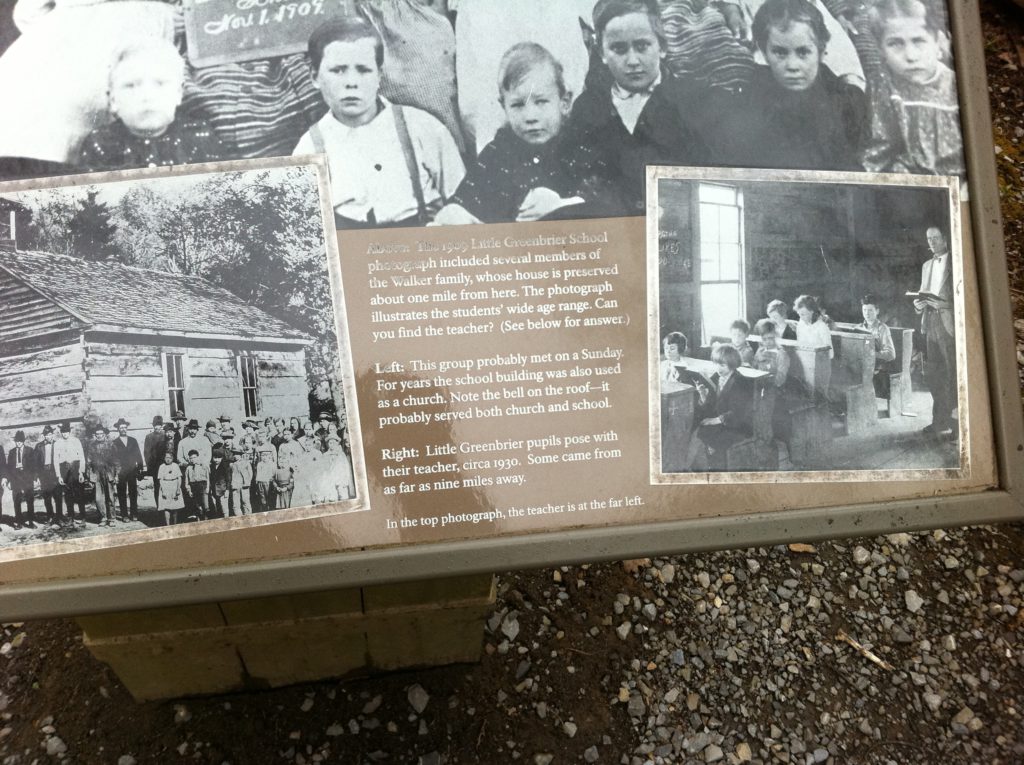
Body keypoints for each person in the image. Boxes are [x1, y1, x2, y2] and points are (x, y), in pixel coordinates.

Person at [293, 17, 466, 228]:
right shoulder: (309, 149)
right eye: (338, 70)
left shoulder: (422, 128)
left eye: (363, 70)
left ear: (379, 76)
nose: (351, 83)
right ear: (314, 77)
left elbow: (461, 206)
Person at [435, 43, 616, 225]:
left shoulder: (581, 145)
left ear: (565, 102)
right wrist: (456, 214)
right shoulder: (497, 154)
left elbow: (611, 199)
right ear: (504, 106)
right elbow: (468, 201)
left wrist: (564, 207)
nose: (530, 117)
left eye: (541, 101)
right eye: (518, 105)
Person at [563, 0, 711, 215]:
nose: (632, 61)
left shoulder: (693, 101)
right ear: (602, 53)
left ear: (662, 47)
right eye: (618, 49)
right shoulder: (588, 108)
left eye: (642, 46)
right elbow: (573, 171)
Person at [709, 0, 867, 170]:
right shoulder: (754, 95)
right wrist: (731, 7)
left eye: (802, 53)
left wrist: (839, 14)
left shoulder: (837, 96)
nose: (792, 65)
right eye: (780, 53)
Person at [76, 39, 225, 172]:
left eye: (159, 83)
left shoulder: (200, 137)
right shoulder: (100, 144)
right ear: (113, 101)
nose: (147, 96)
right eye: (131, 86)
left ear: (178, 94)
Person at [862, 0, 964, 178]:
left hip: (956, 182)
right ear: (881, 51)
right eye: (895, 44)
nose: (910, 56)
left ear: (938, 44)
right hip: (906, 182)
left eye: (918, 41)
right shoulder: (884, 88)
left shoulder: (956, 87)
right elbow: (879, 151)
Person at [913, 226, 956, 437]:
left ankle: (957, 426)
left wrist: (945, 305)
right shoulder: (926, 265)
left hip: (949, 324)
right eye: (929, 239)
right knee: (934, 375)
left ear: (945, 238)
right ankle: (939, 422)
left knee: (952, 374)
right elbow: (924, 292)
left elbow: (964, 297)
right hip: (929, 323)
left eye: (936, 238)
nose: (932, 242)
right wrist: (918, 305)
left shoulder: (957, 262)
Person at [689, 344, 754, 470]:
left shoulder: (741, 382)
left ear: (732, 364)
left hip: (736, 425)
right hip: (719, 422)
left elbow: (738, 413)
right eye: (716, 364)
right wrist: (703, 395)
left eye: (722, 365)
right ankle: (701, 466)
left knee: (702, 434)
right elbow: (711, 407)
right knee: (694, 428)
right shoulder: (715, 377)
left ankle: (709, 467)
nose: (718, 368)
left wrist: (714, 421)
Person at [859, 293, 897, 400]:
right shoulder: (859, 328)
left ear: (877, 311)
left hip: (878, 369)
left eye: (870, 310)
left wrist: (871, 354)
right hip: (862, 367)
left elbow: (891, 354)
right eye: (864, 310)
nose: (867, 313)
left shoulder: (883, 329)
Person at [110, 418, 143, 522]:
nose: (123, 429)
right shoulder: (114, 442)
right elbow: (113, 458)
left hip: (132, 469)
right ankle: (124, 515)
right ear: (118, 429)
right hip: (121, 471)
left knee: (133, 492)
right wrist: (115, 472)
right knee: (121, 493)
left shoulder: (133, 440)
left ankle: (134, 513)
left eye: (125, 427)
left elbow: (138, 455)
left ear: (127, 428)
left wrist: (140, 468)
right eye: (121, 428)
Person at [54, 421, 87, 523]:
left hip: (75, 468)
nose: (65, 434)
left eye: (67, 432)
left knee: (79, 493)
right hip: (64, 469)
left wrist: (81, 472)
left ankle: (82, 516)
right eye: (63, 432)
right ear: (60, 432)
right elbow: (55, 460)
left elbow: (81, 457)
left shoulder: (76, 441)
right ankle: (71, 516)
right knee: (68, 494)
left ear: (69, 431)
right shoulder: (57, 443)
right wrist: (59, 476)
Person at [87, 425, 116, 526]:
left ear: (104, 434)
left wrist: (116, 475)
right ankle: (103, 517)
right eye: (97, 434)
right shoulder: (91, 446)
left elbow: (116, 461)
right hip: (97, 473)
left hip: (108, 472)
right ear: (95, 435)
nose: (99, 436)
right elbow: (89, 462)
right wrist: (90, 477)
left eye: (101, 434)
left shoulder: (110, 445)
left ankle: (111, 518)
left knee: (110, 497)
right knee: (98, 498)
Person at [6, 431, 36, 529]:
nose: (18, 443)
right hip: (15, 480)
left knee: (30, 500)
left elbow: (33, 466)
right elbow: (9, 468)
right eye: (17, 441)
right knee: (17, 501)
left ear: (23, 441)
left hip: (27, 479)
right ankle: (19, 522)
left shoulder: (30, 451)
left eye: (20, 441)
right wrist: (9, 481)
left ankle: (31, 521)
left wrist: (34, 478)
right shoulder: (12, 452)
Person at [34, 425, 61, 524]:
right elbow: (35, 463)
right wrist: (36, 476)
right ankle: (50, 516)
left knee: (57, 496)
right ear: (44, 436)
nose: (48, 437)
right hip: (44, 474)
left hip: (55, 472)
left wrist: (60, 475)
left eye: (49, 434)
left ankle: (59, 517)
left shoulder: (57, 444)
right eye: (46, 435)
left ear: (52, 435)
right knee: (47, 496)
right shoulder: (39, 446)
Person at [753, 319, 790, 388]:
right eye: (764, 339)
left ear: (776, 336)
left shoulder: (781, 354)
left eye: (771, 338)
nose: (768, 342)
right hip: (758, 385)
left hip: (773, 388)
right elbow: (754, 367)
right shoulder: (760, 351)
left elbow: (781, 378)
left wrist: (768, 382)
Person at [144, 415, 167, 506]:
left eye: (159, 425)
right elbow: (146, 453)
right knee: (157, 486)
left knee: (166, 485)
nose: (157, 427)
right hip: (155, 467)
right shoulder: (149, 437)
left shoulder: (165, 435)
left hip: (165, 465)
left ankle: (167, 506)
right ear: (153, 426)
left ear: (161, 425)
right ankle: (159, 507)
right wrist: (150, 466)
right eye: (155, 425)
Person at [156, 450, 184, 526]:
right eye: (166, 457)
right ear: (164, 458)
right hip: (165, 486)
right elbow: (160, 479)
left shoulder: (175, 465)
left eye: (170, 458)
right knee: (166, 507)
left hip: (174, 485)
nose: (168, 459)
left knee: (175, 507)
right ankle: (168, 525)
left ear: (173, 458)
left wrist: (178, 489)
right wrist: (163, 491)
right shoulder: (161, 466)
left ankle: (175, 524)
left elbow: (179, 478)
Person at [183, 449, 210, 522]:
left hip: (202, 486)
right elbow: (187, 481)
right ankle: (199, 520)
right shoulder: (188, 468)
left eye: (194, 457)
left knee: (205, 505)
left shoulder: (203, 466)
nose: (192, 460)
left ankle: (206, 519)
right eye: (191, 458)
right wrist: (189, 490)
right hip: (193, 487)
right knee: (197, 505)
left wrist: (207, 488)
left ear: (198, 457)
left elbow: (208, 478)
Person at [228, 446, 253, 518]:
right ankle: (239, 517)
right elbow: (230, 475)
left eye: (237, 454)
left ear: (241, 455)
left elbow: (250, 473)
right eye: (234, 454)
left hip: (244, 485)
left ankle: (248, 517)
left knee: (246, 502)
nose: (235, 456)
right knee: (236, 504)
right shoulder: (232, 465)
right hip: (235, 486)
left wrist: (248, 482)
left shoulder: (246, 463)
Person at [254, 443, 278, 514]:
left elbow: (274, 474)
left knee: (269, 497)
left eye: (266, 455)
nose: (264, 457)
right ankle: (264, 510)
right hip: (260, 482)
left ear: (270, 456)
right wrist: (257, 482)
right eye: (262, 455)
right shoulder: (259, 464)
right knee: (262, 497)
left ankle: (270, 509)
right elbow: (258, 474)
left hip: (268, 482)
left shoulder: (272, 464)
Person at [208, 447, 231, 519]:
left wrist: (227, 490)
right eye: (215, 458)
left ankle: (227, 520)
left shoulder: (225, 467)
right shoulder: (211, 467)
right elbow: (210, 479)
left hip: (222, 490)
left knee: (224, 507)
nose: (216, 460)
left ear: (221, 458)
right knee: (217, 507)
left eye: (219, 458)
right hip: (214, 491)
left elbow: (228, 479)